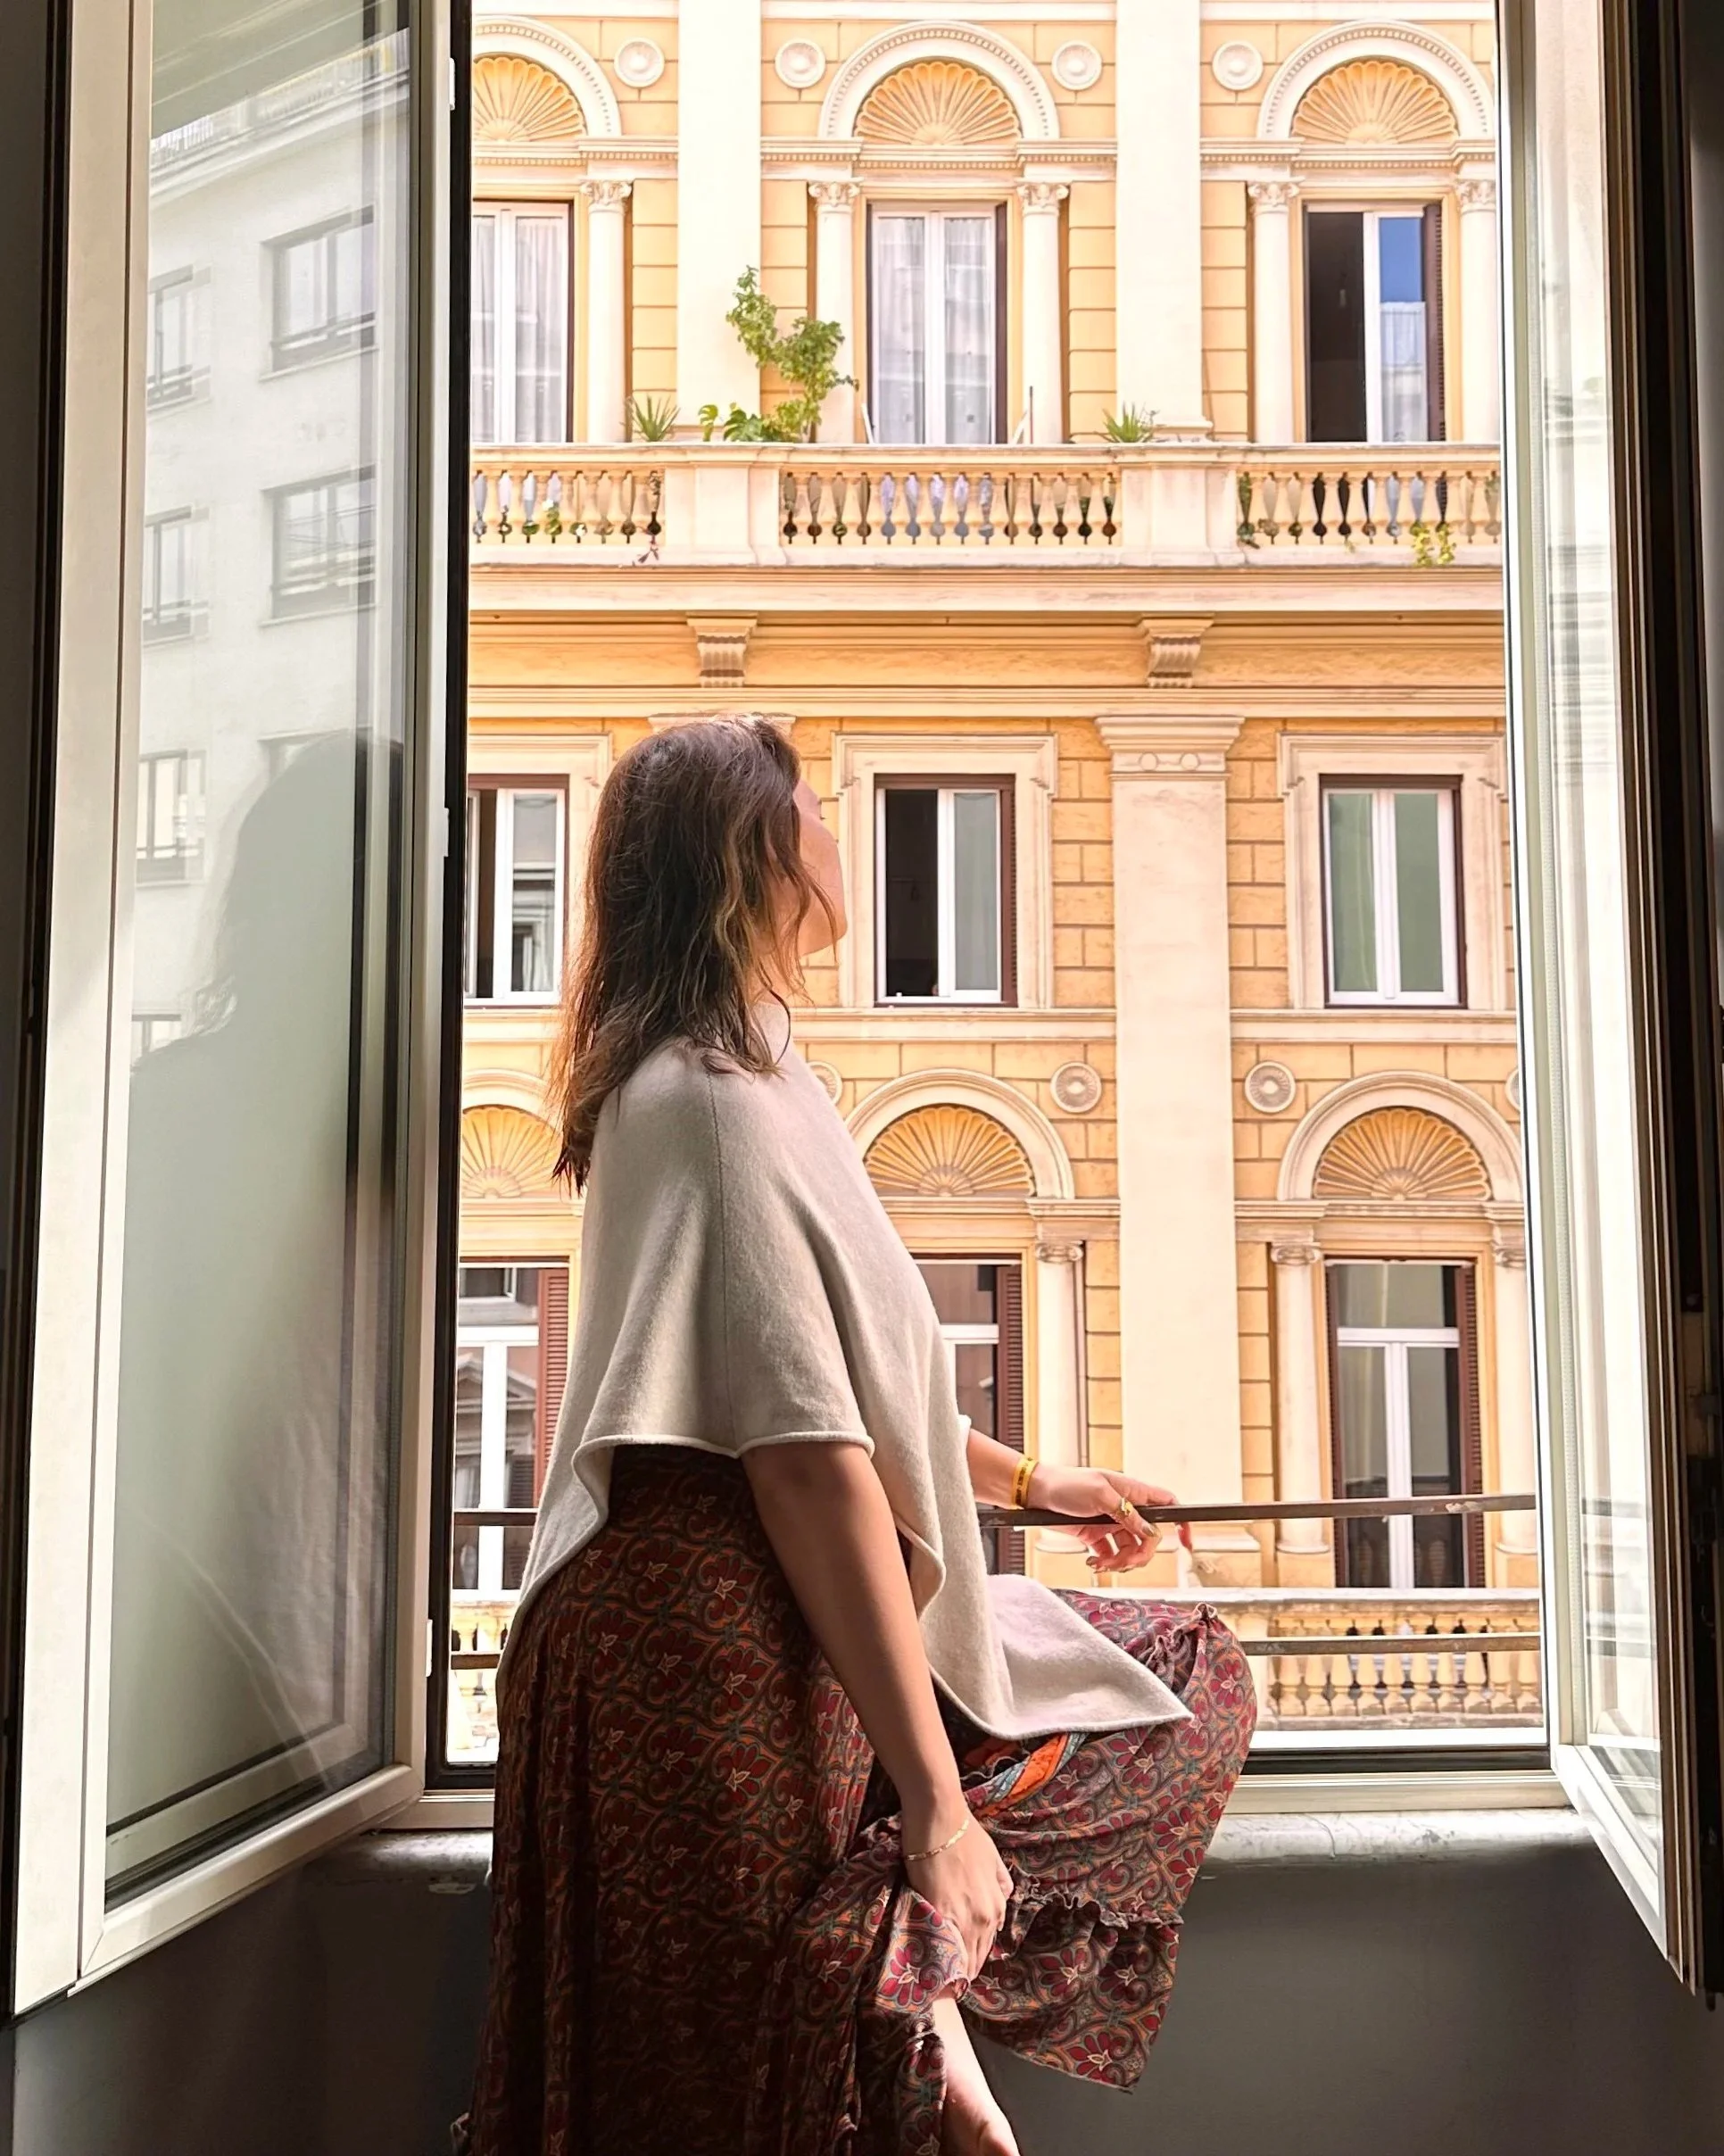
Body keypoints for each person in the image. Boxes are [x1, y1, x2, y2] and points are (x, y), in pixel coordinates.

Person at [461, 717, 1255, 2156]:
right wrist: (943, 1810)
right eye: (818, 809)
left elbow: (848, 1386)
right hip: (710, 1652)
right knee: (754, 2087)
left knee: (1169, 1673)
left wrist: (1033, 1483)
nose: (838, 836)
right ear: (759, 854)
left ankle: (934, 2012)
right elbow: (807, 1459)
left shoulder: (756, 1085)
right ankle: (933, 1982)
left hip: (756, 1633)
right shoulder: (707, 1103)